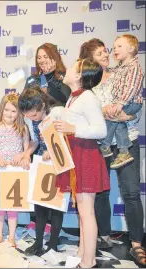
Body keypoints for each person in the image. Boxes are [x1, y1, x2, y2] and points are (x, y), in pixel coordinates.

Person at [80, 38, 145, 265]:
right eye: (100, 54)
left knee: (131, 192)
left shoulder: (123, 71)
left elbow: (135, 103)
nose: (106, 55)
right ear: (90, 60)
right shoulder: (89, 84)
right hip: (103, 142)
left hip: (128, 139)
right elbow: (92, 113)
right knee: (100, 192)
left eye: (106, 50)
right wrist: (109, 112)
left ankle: (137, 243)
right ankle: (103, 236)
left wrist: (128, 114)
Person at [52, 59, 109, 268]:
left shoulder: (88, 98)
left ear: (78, 76)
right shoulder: (74, 98)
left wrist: (72, 128)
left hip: (86, 156)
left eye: (72, 67)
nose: (66, 69)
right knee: (83, 212)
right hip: (76, 156)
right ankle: (85, 254)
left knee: (87, 212)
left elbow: (101, 130)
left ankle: (88, 262)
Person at [18, 86, 64, 256]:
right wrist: (26, 153)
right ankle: (38, 242)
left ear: (43, 106)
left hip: (59, 162)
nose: (30, 118)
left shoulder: (58, 112)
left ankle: (53, 244)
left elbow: (66, 138)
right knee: (39, 204)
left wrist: (51, 150)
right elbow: (35, 141)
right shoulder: (30, 119)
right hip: (41, 162)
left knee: (57, 204)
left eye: (34, 115)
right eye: (27, 115)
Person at [99, 35, 144, 169]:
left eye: (119, 46)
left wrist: (119, 104)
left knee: (113, 117)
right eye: (113, 48)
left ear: (131, 49)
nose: (114, 50)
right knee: (118, 122)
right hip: (123, 103)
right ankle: (123, 151)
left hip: (131, 103)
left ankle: (105, 145)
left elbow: (131, 88)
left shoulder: (134, 68)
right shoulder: (118, 68)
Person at [0, 94, 30, 248]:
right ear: (1, 109)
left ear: (19, 112)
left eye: (14, 111)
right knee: (0, 205)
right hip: (0, 171)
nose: (9, 114)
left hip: (15, 173)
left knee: (13, 206)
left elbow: (26, 150)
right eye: (7, 110)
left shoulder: (23, 128)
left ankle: (12, 237)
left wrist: (22, 157)